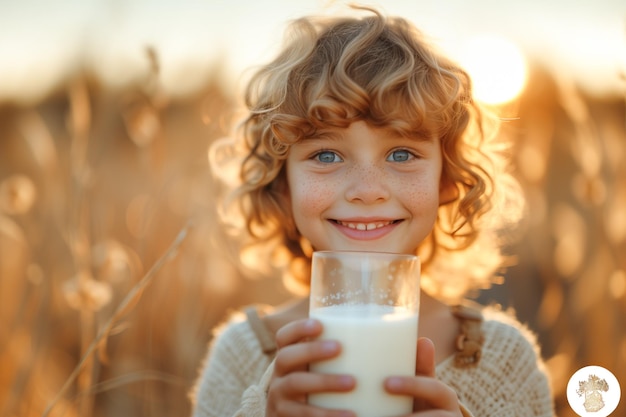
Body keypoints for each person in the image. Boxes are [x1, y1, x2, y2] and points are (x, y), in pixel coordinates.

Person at [192, 5, 555, 417]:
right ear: (281, 184)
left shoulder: (505, 362)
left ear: (447, 181)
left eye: (401, 153)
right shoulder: (241, 357)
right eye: (326, 155)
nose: (367, 191)